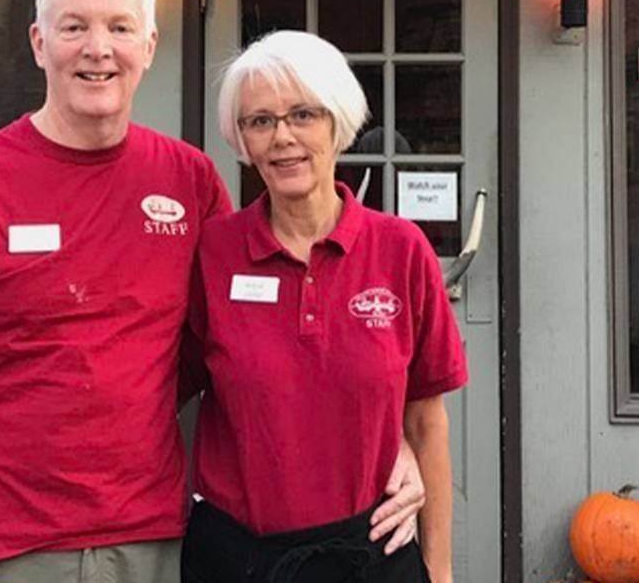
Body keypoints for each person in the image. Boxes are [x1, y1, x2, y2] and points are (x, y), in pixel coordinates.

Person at [0, 0, 424, 583]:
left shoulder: (188, 181)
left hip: (156, 545)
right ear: (39, 42)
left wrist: (390, 442)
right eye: (74, 26)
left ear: (150, 45)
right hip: (1, 551)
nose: (97, 48)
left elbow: (262, 350)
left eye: (119, 27)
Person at [180, 30, 468, 583]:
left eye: (302, 115)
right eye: (259, 121)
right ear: (242, 140)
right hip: (238, 560)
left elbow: (427, 423)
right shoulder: (212, 253)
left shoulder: (400, 249)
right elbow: (164, 389)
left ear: (338, 121)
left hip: (369, 553)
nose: (282, 137)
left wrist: (440, 571)